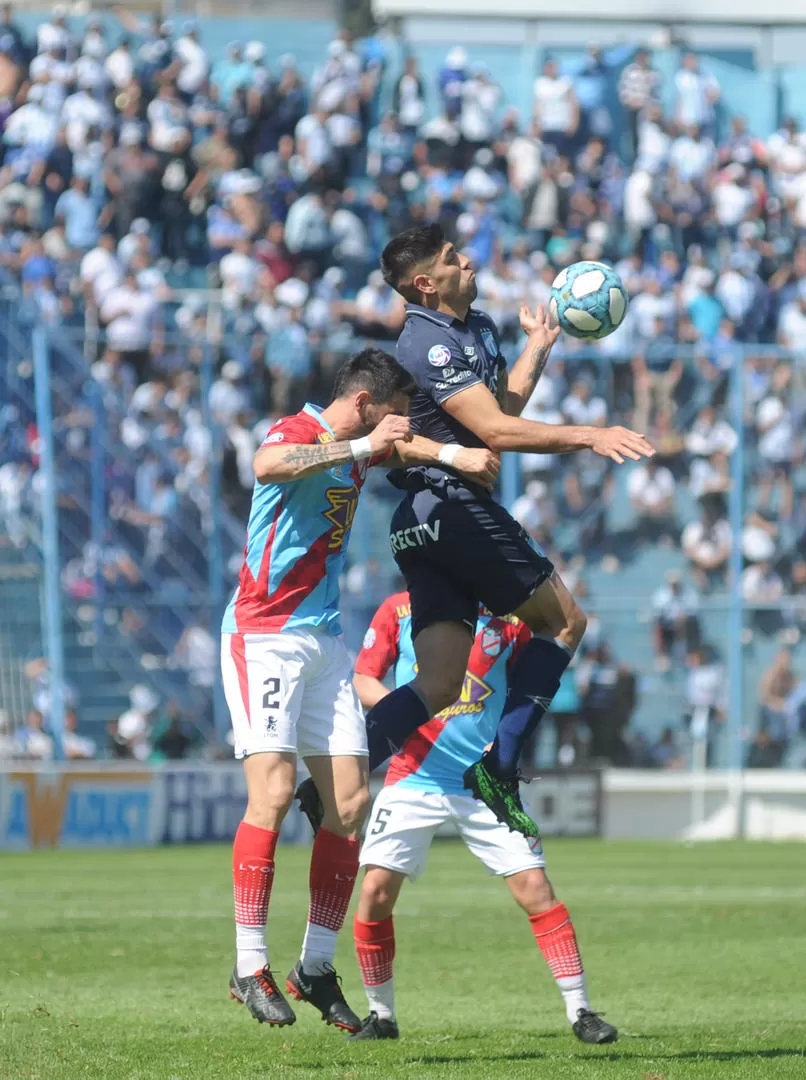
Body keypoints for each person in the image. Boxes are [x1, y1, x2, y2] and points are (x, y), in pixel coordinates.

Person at [319, 224, 652, 839]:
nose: (467, 260)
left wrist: (540, 347)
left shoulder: (476, 329)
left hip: (423, 523)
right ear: (426, 282)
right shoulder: (427, 345)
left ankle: (341, 774)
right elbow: (495, 435)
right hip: (450, 511)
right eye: (452, 258)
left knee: (441, 681)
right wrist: (592, 435)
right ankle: (499, 765)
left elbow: (499, 412)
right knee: (565, 622)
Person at [221, 348, 498, 1030]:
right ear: (367, 402)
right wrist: (359, 444)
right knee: (275, 793)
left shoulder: (366, 441)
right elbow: (265, 466)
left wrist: (455, 457)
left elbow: (401, 448)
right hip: (264, 635)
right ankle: (248, 963)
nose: (402, 425)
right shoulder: (300, 431)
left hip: (322, 641)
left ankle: (313, 966)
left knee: (347, 802)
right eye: (396, 413)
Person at [343, 591, 617, 1044]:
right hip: (414, 776)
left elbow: (534, 681)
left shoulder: (510, 617)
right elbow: (363, 679)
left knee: (535, 889)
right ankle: (381, 1016)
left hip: (482, 780)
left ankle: (581, 1011)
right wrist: (409, 705)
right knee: (374, 892)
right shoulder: (400, 608)